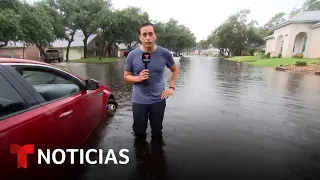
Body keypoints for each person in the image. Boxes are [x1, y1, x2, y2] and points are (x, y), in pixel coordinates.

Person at [124, 22, 179, 139]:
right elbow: (126, 76)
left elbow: (175, 70)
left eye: (150, 34)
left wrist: (171, 88)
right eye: (144, 34)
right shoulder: (132, 55)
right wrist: (138, 78)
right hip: (139, 101)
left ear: (155, 35)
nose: (148, 38)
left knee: (157, 132)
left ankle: (157, 156)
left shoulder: (164, 53)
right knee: (139, 133)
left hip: (158, 100)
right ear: (140, 37)